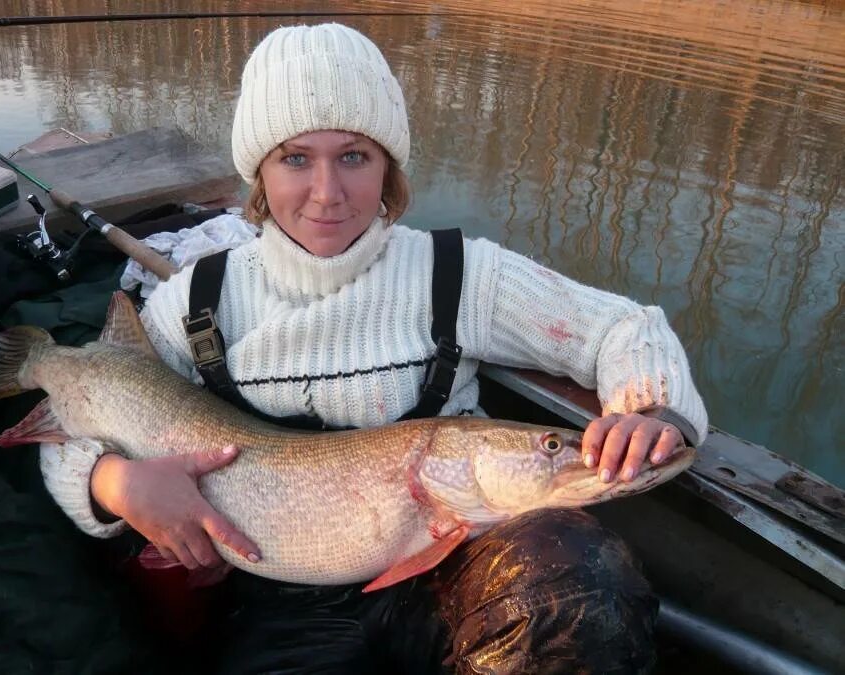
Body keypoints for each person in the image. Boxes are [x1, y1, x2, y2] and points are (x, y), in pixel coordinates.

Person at [40, 22, 708, 674]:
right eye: (295, 158)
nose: (327, 193)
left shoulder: (460, 275)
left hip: (462, 570)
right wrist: (114, 483)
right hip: (284, 599)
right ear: (259, 173)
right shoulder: (195, 302)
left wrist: (654, 412)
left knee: (577, 590)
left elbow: (625, 327)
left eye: (354, 156)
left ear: (387, 165)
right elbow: (71, 419)